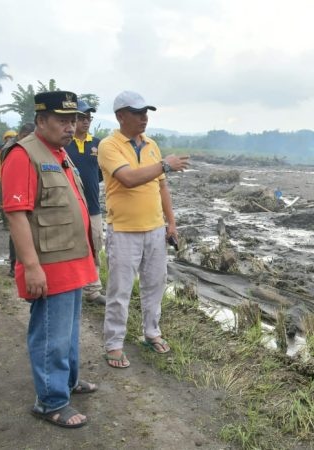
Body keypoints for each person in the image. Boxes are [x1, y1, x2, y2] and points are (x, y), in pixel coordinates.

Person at [2, 91, 98, 428]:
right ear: (41, 120)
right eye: (62, 119)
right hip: (48, 266)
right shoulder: (23, 155)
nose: (71, 126)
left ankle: (67, 382)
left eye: (73, 120)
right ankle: (50, 401)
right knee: (49, 335)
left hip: (71, 261)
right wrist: (31, 267)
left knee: (69, 332)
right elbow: (16, 214)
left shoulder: (59, 153)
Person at [98, 90, 189, 368]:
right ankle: (114, 343)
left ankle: (151, 332)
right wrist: (164, 165)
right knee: (120, 288)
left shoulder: (151, 145)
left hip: (154, 229)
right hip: (124, 230)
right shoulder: (109, 146)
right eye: (137, 113)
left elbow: (161, 186)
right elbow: (127, 178)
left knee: (155, 284)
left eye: (145, 113)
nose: (144, 118)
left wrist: (170, 222)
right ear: (120, 116)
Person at [65, 100, 105, 305]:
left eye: (89, 118)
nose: (86, 121)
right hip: (68, 207)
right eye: (82, 117)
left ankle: (92, 289)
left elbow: (99, 174)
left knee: (95, 244)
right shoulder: (65, 143)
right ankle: (71, 286)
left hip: (93, 206)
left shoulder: (97, 144)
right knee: (70, 246)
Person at [1, 123, 36, 277]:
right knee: (17, 228)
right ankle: (14, 264)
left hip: (26, 189)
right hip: (15, 191)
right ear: (22, 135)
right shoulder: (11, 150)